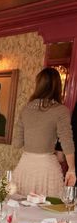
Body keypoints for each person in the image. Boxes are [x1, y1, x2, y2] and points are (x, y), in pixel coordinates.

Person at [13, 67, 75, 197]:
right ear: (58, 86)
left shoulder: (26, 109)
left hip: (25, 166)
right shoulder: (60, 110)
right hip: (46, 170)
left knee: (21, 211)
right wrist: (72, 169)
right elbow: (67, 142)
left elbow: (17, 143)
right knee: (47, 214)